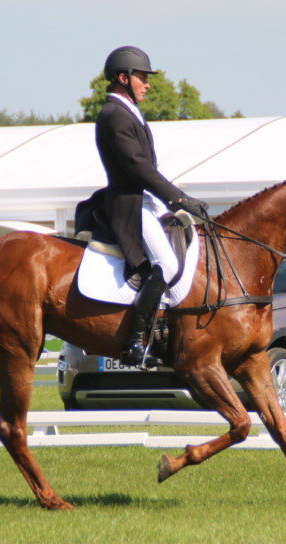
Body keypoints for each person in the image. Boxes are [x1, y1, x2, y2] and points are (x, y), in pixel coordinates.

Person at [89, 45, 209, 366]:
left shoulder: (129, 112)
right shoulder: (113, 114)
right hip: (128, 204)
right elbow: (138, 167)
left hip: (145, 201)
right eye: (142, 77)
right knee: (167, 265)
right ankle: (135, 344)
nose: (148, 83)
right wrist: (179, 198)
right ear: (122, 78)